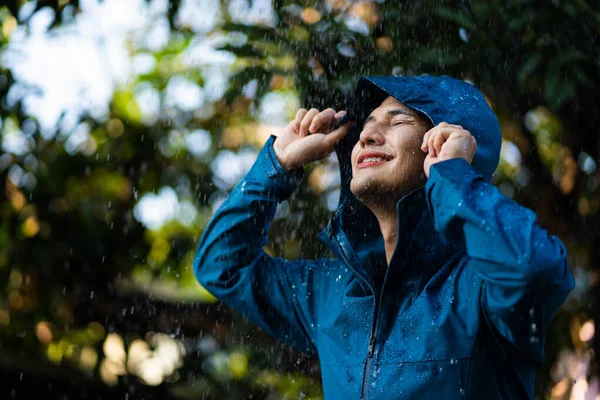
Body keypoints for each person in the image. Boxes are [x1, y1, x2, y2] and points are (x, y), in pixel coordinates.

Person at [193, 75, 574, 399]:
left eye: (397, 121)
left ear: (446, 142)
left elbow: (535, 269)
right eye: (366, 125)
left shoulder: (480, 288)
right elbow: (221, 266)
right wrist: (278, 163)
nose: (367, 135)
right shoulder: (332, 294)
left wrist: (455, 176)